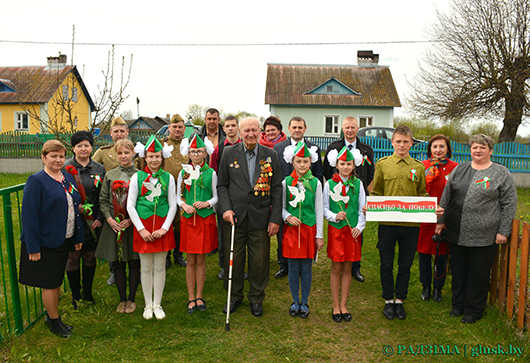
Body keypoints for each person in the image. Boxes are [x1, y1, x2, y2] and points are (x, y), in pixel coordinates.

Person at [436, 134, 517, 324]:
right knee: (459, 270)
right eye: (474, 147)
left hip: (484, 234)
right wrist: (441, 220)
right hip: (457, 231)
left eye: (482, 147)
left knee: (478, 274)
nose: (478, 150)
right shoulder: (460, 169)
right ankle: (458, 305)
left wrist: (503, 231)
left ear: (491, 150)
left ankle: (473, 310)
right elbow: (447, 195)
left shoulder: (500, 172)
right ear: (470, 150)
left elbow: (509, 203)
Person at [217, 117, 282, 317]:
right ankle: (235, 296)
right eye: (247, 130)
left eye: (254, 130)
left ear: (260, 131)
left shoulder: (270, 155)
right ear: (240, 131)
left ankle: (256, 297)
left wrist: (275, 219)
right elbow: (222, 185)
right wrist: (226, 209)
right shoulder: (228, 153)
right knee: (234, 260)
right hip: (234, 218)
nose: (250, 134)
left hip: (260, 218)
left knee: (259, 261)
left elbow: (277, 189)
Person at [19, 140, 84, 337]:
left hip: (64, 239)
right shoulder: (36, 180)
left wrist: (77, 236)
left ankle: (53, 316)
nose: (58, 160)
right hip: (45, 242)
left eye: (61, 156)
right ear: (43, 157)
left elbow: (75, 207)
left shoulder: (66, 177)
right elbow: (29, 216)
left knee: (56, 281)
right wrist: (33, 247)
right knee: (49, 283)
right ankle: (54, 322)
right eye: (53, 156)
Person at [370, 125, 430, 321]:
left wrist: (431, 207)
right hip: (387, 224)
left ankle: (400, 300)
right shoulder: (383, 164)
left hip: (410, 225)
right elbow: (377, 192)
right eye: (398, 141)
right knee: (386, 263)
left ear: (411, 143)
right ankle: (388, 300)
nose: (402, 145)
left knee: (405, 264)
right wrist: (370, 205)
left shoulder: (419, 167)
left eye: (406, 141)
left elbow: (422, 193)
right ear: (392, 143)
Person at [127, 135, 177, 320]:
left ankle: (158, 303)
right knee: (146, 266)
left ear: (161, 158)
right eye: (150, 156)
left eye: (157, 156)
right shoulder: (137, 177)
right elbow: (130, 206)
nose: (154, 159)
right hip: (144, 227)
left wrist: (164, 228)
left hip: (162, 227)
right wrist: (141, 229)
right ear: (144, 158)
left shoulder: (168, 178)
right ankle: (148, 304)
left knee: (160, 266)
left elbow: (173, 204)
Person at [323, 116, 374, 283]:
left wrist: (361, 183)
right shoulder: (334, 147)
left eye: (353, 127)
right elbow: (326, 170)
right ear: (342, 129)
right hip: (338, 191)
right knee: (340, 232)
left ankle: (355, 267)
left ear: (357, 128)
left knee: (356, 232)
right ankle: (338, 264)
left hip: (358, 192)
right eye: (347, 127)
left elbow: (370, 171)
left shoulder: (366, 149)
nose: (350, 130)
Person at [273, 116, 323, 279]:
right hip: (285, 192)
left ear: (305, 129)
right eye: (294, 127)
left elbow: (318, 172)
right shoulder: (278, 148)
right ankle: (284, 264)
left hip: (306, 191)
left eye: (300, 127)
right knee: (285, 231)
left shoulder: (313, 148)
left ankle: (303, 264)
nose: (297, 130)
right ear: (289, 129)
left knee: (304, 228)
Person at [95, 139, 140, 314]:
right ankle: (122, 299)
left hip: (132, 225)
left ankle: (132, 298)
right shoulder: (110, 175)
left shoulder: (139, 175)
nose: (123, 156)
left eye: (126, 153)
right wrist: (110, 219)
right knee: (119, 262)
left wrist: (130, 220)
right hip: (114, 226)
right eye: (119, 153)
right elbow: (103, 200)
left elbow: (141, 201)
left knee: (134, 261)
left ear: (133, 154)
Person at [63, 131, 106, 309]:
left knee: (89, 256)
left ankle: (88, 293)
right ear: (73, 148)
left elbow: (103, 196)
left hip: (93, 220)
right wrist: (75, 207)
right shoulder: (65, 168)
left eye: (86, 145)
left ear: (91, 147)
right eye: (79, 145)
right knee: (73, 257)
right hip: (72, 220)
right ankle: (76, 295)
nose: (83, 149)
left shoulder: (99, 169)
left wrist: (99, 217)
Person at [281, 142, 323, 318]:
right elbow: (281, 207)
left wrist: (319, 235)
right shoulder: (286, 182)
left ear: (310, 162)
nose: (302, 165)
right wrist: (287, 217)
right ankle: (294, 300)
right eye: (299, 161)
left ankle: (304, 300)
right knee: (293, 267)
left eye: (306, 161)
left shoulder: (315, 183)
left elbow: (319, 209)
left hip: (308, 230)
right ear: (293, 162)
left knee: (306, 267)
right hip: (292, 231)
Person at [323, 146, 366, 323]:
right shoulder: (329, 184)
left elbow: (363, 208)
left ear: (353, 165)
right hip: (336, 231)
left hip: (352, 232)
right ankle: (335, 305)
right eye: (343, 164)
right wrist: (334, 216)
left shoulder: (358, 184)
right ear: (337, 165)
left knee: (348, 268)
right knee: (336, 268)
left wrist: (360, 226)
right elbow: (324, 208)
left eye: (349, 164)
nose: (346, 167)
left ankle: (344, 304)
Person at [177, 135, 218, 313]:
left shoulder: (211, 173)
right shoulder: (183, 172)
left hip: (204, 219)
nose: (196, 154)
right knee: (190, 260)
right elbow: (177, 197)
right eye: (193, 151)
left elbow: (216, 196)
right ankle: (190, 297)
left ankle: (199, 296)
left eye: (200, 151)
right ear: (188, 152)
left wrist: (207, 203)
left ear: (205, 153)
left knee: (201, 260)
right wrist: (183, 205)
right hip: (188, 220)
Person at [93, 116, 135, 286]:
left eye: (122, 131)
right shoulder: (103, 151)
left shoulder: (134, 151)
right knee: (113, 242)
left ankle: (134, 269)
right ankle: (114, 271)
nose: (119, 134)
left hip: (130, 203)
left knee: (130, 243)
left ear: (127, 132)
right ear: (111, 133)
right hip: (111, 202)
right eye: (116, 131)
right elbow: (92, 167)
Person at [417, 135, 458, 303]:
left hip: (445, 218)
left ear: (447, 149)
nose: (438, 150)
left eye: (442, 146)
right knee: (424, 254)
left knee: (441, 254)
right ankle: (425, 287)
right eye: (435, 146)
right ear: (430, 149)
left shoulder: (455, 168)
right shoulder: (422, 167)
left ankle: (438, 288)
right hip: (425, 217)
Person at [209, 116, 241, 280]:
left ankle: (240, 267)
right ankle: (224, 266)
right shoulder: (218, 150)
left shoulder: (245, 146)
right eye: (227, 126)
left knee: (241, 235)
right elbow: (214, 175)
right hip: (224, 197)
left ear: (238, 127)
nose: (230, 128)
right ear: (224, 129)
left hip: (242, 198)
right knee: (224, 233)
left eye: (233, 125)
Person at [162, 114, 189, 269]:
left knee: (180, 223)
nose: (177, 130)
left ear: (184, 129)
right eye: (174, 127)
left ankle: (178, 254)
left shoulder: (188, 144)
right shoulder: (162, 144)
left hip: (184, 190)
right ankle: (166, 254)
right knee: (167, 221)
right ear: (169, 128)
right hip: (166, 190)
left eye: (180, 127)